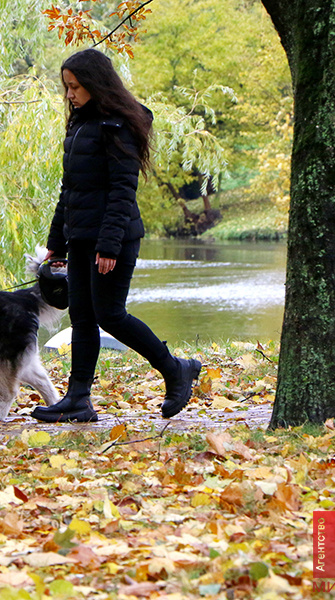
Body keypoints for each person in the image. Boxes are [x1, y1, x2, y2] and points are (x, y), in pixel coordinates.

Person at [31, 48, 201, 423]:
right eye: (66, 87)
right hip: (80, 237)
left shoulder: (119, 125)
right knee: (82, 316)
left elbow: (123, 190)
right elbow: (70, 189)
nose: (70, 94)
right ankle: (78, 399)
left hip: (115, 238)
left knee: (109, 313)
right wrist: (56, 242)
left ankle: (176, 370)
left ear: (95, 83)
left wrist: (108, 244)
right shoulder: (79, 125)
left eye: (75, 87)